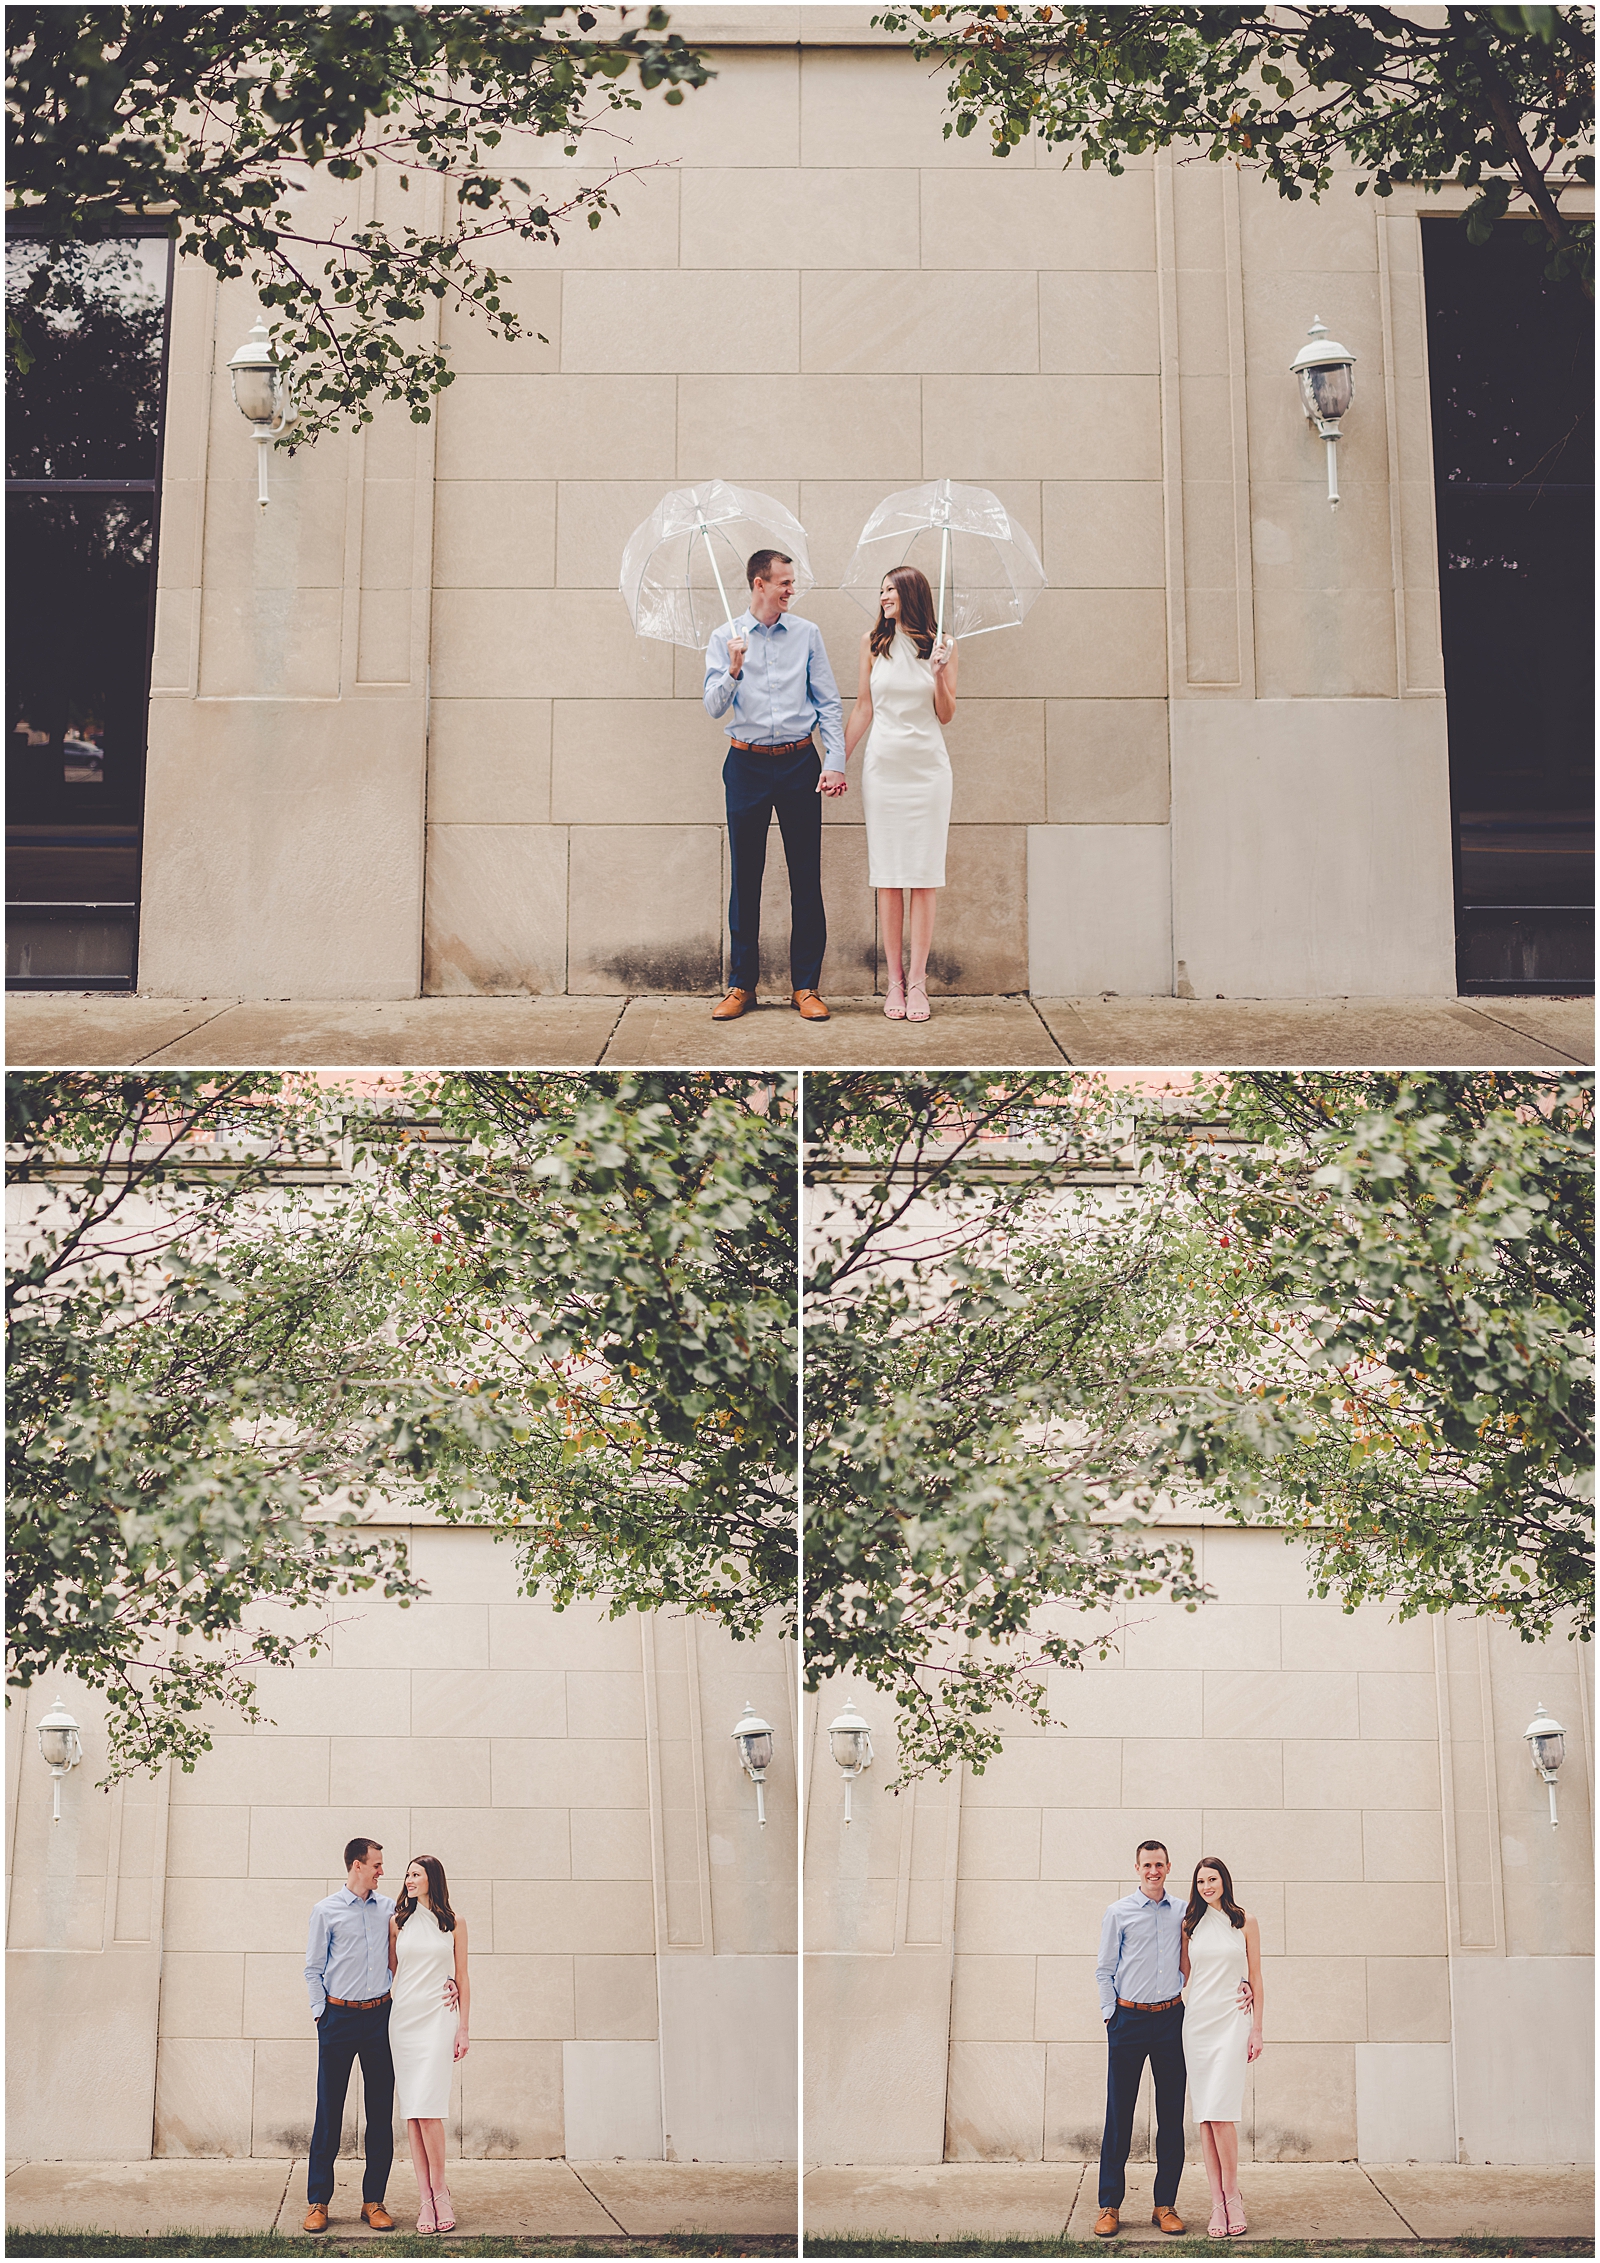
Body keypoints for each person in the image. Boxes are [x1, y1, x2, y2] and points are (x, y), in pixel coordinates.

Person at [702, 549, 846, 1023]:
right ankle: (741, 985)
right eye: (783, 582)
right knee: (746, 877)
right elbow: (712, 706)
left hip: (799, 763)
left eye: (791, 582)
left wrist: (836, 761)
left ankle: (805, 986)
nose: (790, 590)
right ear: (759, 584)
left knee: (806, 876)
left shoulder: (807, 634)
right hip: (745, 765)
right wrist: (734, 669)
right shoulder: (725, 638)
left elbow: (828, 702)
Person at [1093, 1840, 1254, 2240]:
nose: (1153, 1871)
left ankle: (1165, 2205)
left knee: (1171, 2119)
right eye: (1147, 1864)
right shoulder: (1119, 1912)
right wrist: (1111, 2016)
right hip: (1128, 2020)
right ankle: (1109, 2205)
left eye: (1159, 1864)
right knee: (1119, 2115)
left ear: (1168, 1867)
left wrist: (1244, 1983)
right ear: (1136, 1867)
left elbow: (1214, 1955)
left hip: (1172, 2021)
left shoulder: (1187, 1913)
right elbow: (1103, 1970)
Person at [302, 1838, 459, 2235]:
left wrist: (450, 1981)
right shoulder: (326, 1910)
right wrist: (322, 2014)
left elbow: (424, 1945)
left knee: (379, 2115)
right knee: (329, 2112)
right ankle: (318, 2201)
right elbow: (312, 1968)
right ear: (357, 1866)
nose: (382, 1871)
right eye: (376, 1865)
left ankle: (373, 2201)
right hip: (337, 2018)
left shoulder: (393, 1911)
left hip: (381, 2020)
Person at [843, 566, 958, 1023]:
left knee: (925, 875)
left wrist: (940, 675)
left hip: (928, 770)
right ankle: (893, 980)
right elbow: (862, 708)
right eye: (881, 590)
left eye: (890, 590)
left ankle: (918, 982)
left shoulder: (943, 645)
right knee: (889, 875)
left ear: (910, 594)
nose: (883, 597)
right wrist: (836, 761)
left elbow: (946, 715)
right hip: (883, 769)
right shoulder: (874, 644)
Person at [1180, 1855, 1264, 2239]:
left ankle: (1233, 2196)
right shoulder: (1189, 1924)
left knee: (1223, 2110)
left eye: (1212, 1879)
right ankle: (1216, 2200)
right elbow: (1182, 1972)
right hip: (1198, 2024)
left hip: (1232, 2021)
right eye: (1200, 1881)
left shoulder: (1244, 1921)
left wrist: (1256, 2028)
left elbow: (1257, 1976)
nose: (1207, 1886)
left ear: (1224, 1881)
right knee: (1206, 2114)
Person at [389, 1854, 472, 2234]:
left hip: (439, 2019)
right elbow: (393, 1970)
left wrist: (464, 2028)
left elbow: (463, 1976)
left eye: (416, 1874)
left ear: (432, 1879)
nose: (408, 1880)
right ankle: (424, 2197)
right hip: (404, 2020)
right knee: (413, 2109)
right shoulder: (397, 1922)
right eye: (407, 1874)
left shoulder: (453, 1924)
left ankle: (441, 2192)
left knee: (430, 2106)